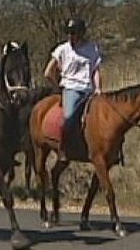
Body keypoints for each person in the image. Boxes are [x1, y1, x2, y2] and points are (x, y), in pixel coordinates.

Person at [43, 17, 103, 161]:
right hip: (71, 89)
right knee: (68, 117)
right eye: (68, 33)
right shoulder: (62, 49)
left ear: (81, 33)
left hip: (89, 89)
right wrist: (58, 86)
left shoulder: (92, 48)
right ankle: (63, 147)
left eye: (73, 33)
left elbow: (95, 70)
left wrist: (98, 88)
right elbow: (48, 72)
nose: (70, 36)